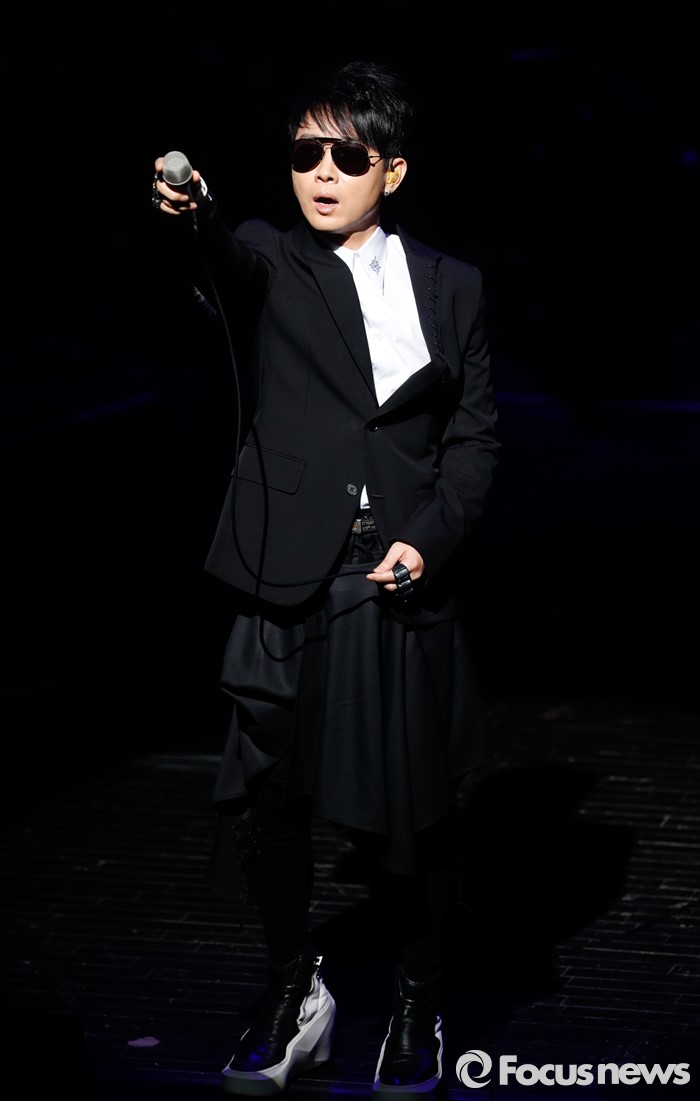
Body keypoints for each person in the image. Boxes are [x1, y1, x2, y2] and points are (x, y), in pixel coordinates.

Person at [151, 58, 500, 1097]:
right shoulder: (268, 254)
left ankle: (418, 996)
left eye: (348, 155)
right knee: (272, 802)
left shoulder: (452, 285)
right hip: (285, 571)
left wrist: (428, 538)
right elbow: (219, 255)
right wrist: (193, 211)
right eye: (306, 153)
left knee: (412, 811)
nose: (322, 173)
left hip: (393, 576)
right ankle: (293, 988)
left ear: (393, 169)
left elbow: (475, 441)